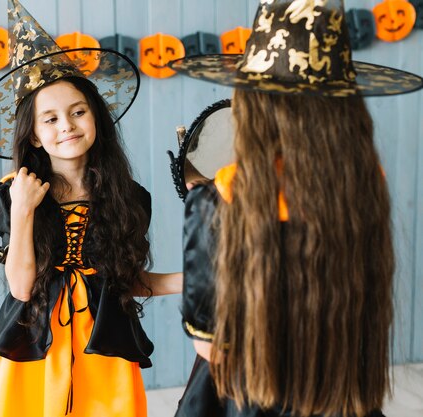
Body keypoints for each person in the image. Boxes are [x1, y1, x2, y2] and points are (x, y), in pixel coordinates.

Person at [168, 1, 423, 416]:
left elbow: (210, 347)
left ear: (253, 106)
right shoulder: (364, 183)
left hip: (254, 398)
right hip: (338, 393)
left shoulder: (220, 198)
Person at [0, 1, 181, 416]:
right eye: (49, 119)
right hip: (35, 342)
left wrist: (194, 279)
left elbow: (126, 281)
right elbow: (22, 287)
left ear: (95, 118)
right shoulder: (14, 192)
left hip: (102, 341)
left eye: (77, 112)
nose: (66, 125)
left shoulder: (127, 196)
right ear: (33, 136)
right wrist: (24, 209)